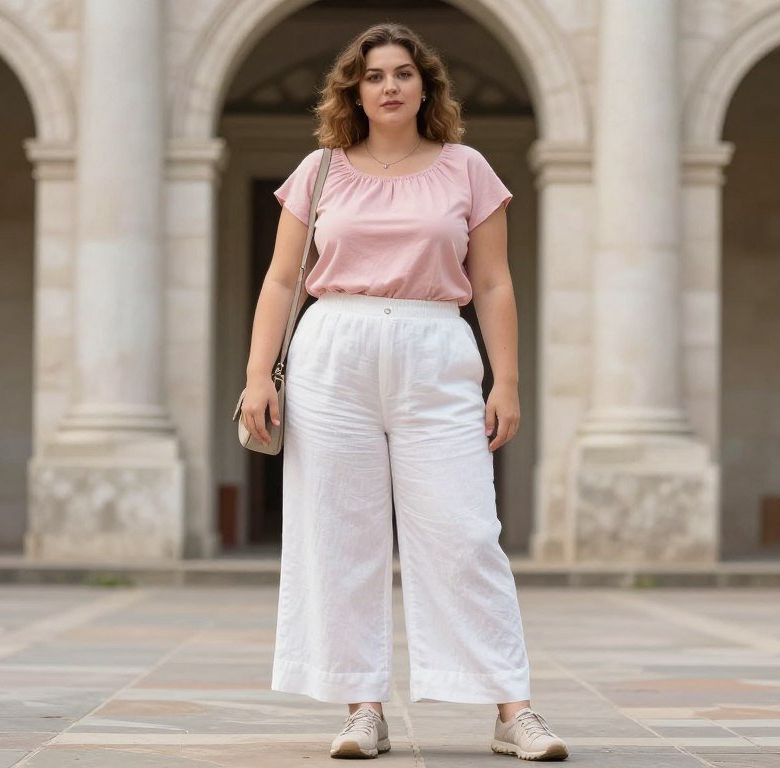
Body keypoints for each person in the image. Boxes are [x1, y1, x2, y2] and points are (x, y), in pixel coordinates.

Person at [239, 22, 569, 762]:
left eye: (403, 73)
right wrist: (260, 374)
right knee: (339, 535)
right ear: (354, 89)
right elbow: (283, 279)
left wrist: (506, 381)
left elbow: (492, 281)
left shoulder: (467, 169)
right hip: (334, 352)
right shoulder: (321, 170)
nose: (389, 85)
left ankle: (513, 709)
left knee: (465, 533)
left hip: (436, 348)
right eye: (374, 74)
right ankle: (363, 709)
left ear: (426, 86)